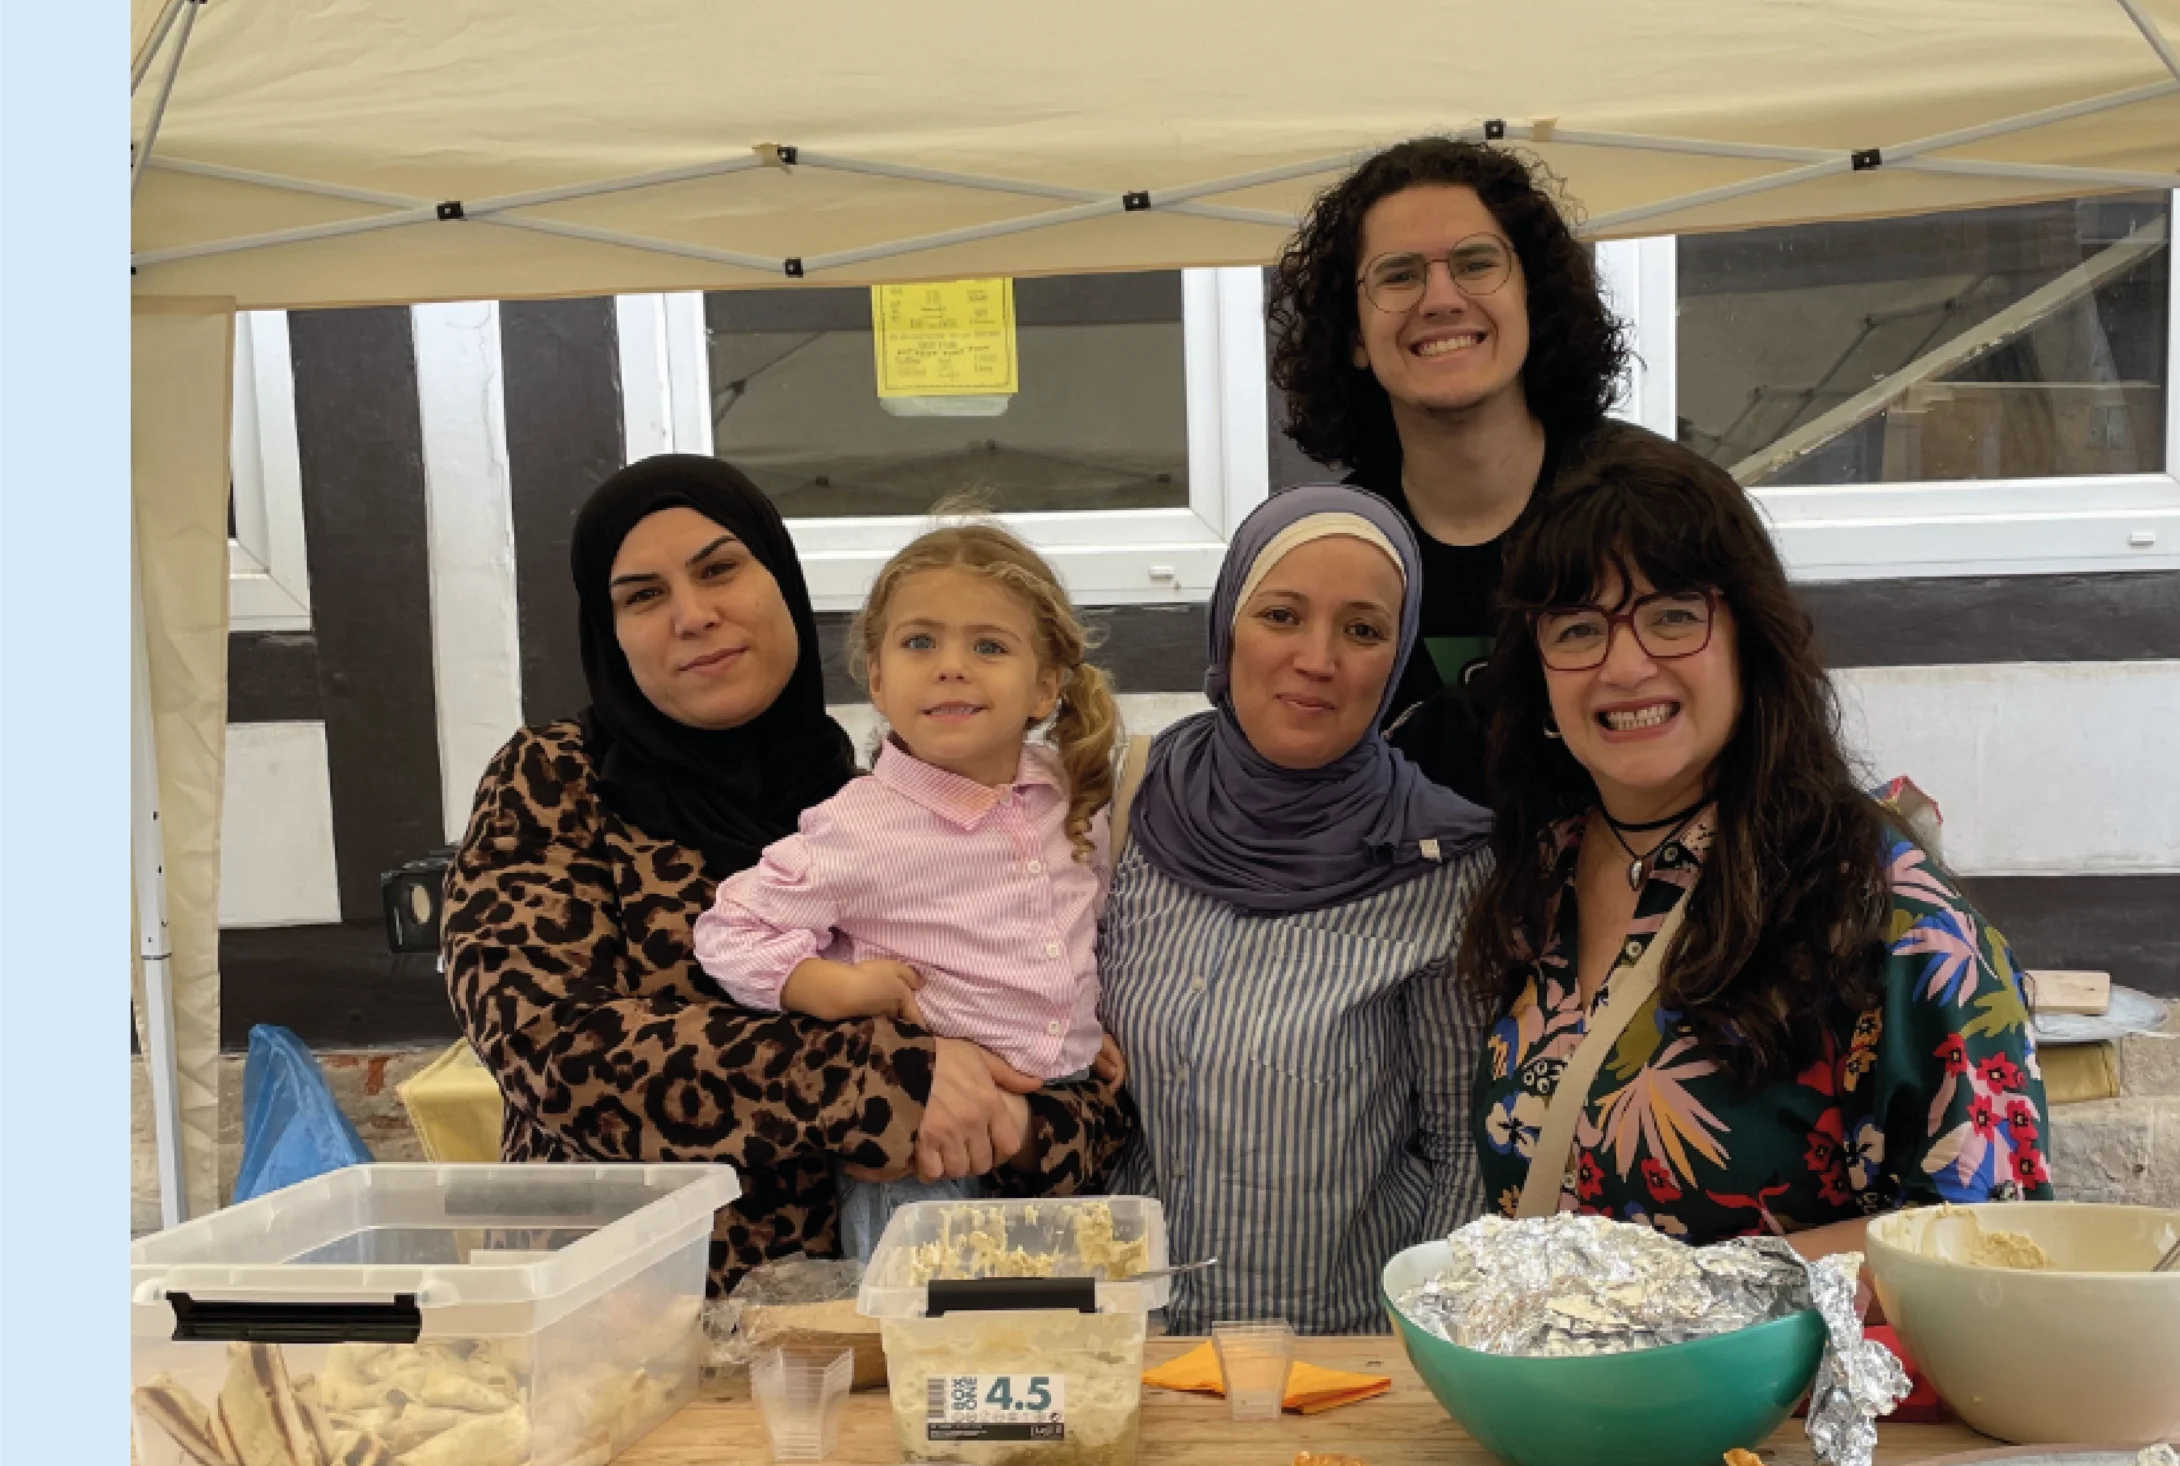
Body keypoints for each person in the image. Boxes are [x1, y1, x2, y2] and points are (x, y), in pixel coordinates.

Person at [441, 457, 1132, 1291]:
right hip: (627, 1313)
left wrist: (1014, 1120)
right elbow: (553, 1050)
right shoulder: (556, 779)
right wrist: (890, 1081)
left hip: (866, 1327)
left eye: (720, 569)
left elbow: (1084, 1101)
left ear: (782, 583)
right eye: (644, 595)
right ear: (609, 631)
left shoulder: (884, 792)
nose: (694, 615)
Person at [1462, 427, 2052, 1253]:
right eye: (1576, 629)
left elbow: (1999, 1235)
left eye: (1672, 617)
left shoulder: (1888, 912)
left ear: (1752, 642)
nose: (1624, 666)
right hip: (1551, 1380)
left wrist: (1698, 1300)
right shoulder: (1541, 877)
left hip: (1799, 1387)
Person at [1099, 488, 1494, 1335]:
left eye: (1362, 630)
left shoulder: (1438, 867)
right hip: (1135, 1360)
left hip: (1337, 1368)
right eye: (1281, 615)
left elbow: (1467, 1158)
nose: (1318, 659)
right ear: (1227, 627)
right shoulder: (1134, 804)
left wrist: (1424, 1362)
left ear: (1395, 657)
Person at [694, 519, 1126, 1271]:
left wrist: (1084, 1024)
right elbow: (732, 927)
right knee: (926, 1340)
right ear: (879, 678)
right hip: (924, 1155)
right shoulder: (858, 827)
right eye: (920, 642)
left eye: (989, 646)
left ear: (1046, 685)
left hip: (1061, 1125)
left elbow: (1080, 922)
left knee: (1057, 1341)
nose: (951, 667)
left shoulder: (1065, 789)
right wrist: (836, 987)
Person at [1265, 134, 1633, 803]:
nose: (1440, 299)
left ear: (1533, 299)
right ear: (1353, 333)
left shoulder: (1651, 507)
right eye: (1399, 274)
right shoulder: (1341, 548)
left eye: (1475, 262)